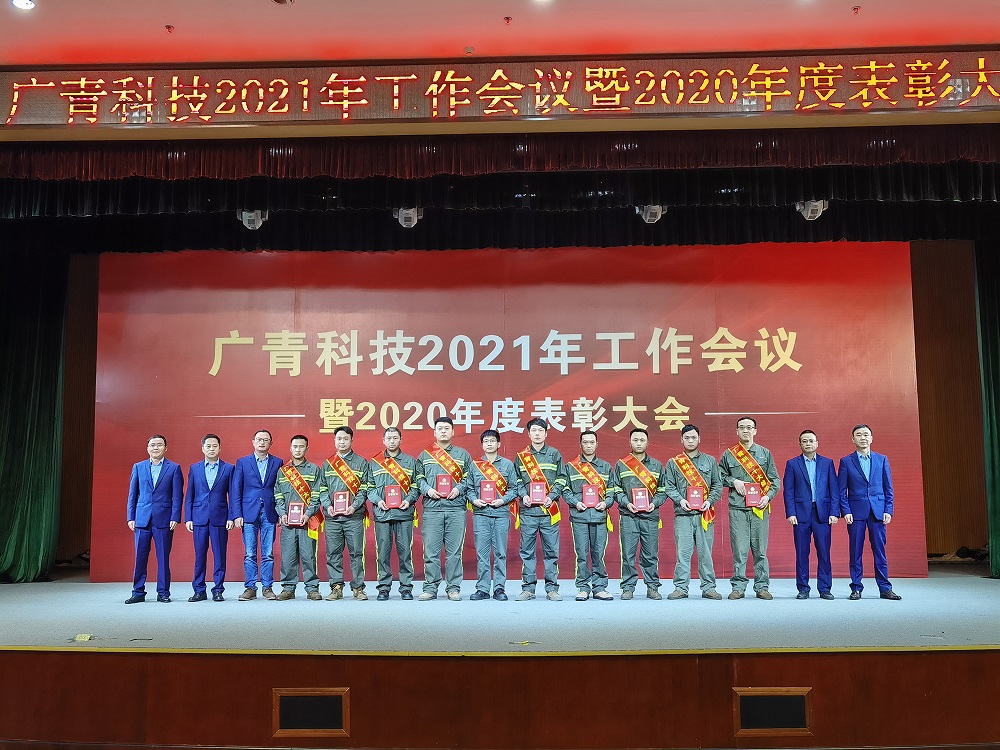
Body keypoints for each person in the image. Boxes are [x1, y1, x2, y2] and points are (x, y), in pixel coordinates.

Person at [720, 417, 781, 600]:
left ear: (755, 430)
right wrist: (734, 481)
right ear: (737, 431)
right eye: (742, 428)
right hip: (737, 509)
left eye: (749, 427)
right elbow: (719, 476)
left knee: (760, 551)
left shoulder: (765, 453)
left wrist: (767, 497)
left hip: (759, 509)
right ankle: (738, 587)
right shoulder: (729, 454)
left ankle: (762, 587)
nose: (745, 430)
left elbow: (775, 481)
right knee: (739, 550)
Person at [838, 423, 901, 600]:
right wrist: (846, 511)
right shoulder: (846, 461)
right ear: (853, 439)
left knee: (880, 551)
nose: (863, 438)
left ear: (871, 438)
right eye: (859, 435)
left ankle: (885, 588)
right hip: (855, 513)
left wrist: (888, 510)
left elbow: (888, 488)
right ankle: (856, 588)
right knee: (855, 552)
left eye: (866, 435)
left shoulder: (882, 459)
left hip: (878, 512)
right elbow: (841, 491)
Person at [662, 425, 724, 600]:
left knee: (706, 554)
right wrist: (680, 500)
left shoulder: (710, 461)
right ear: (681, 440)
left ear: (699, 439)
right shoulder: (674, 463)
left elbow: (717, 485)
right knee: (683, 553)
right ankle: (681, 588)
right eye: (687, 438)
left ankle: (709, 588)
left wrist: (709, 501)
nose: (690, 441)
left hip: (704, 515)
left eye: (693, 437)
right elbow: (669, 486)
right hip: (683, 515)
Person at [417, 416, 473, 601]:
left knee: (454, 553)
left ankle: (453, 588)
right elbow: (418, 479)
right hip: (432, 509)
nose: (443, 431)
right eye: (440, 428)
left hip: (455, 509)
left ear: (453, 431)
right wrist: (428, 490)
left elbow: (469, 478)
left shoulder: (462, 455)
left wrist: (458, 489)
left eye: (447, 428)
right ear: (434, 432)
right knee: (431, 552)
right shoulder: (425, 455)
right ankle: (430, 588)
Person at [125, 434, 183, 604]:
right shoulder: (138, 467)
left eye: (159, 445)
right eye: (152, 445)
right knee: (140, 557)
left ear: (166, 448)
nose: (155, 447)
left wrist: (175, 517)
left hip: (164, 519)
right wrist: (130, 517)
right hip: (142, 519)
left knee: (163, 558)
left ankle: (163, 592)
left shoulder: (174, 468)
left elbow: (177, 496)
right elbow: (132, 494)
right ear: (147, 448)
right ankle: (138, 592)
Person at [783, 430, 840, 600]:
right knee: (802, 553)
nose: (808, 444)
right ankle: (803, 588)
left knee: (824, 553)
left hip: (823, 514)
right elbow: (788, 491)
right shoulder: (792, 464)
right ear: (800, 444)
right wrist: (791, 513)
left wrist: (834, 512)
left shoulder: (827, 463)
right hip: (800, 515)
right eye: (804, 441)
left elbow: (834, 490)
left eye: (811, 441)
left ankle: (825, 588)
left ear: (817, 443)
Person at [514, 418, 566, 601]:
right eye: (534, 431)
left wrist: (552, 496)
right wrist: (523, 495)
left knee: (551, 551)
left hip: (548, 511)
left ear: (546, 433)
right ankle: (528, 589)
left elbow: (562, 479)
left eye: (540, 430)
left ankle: (552, 589)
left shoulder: (554, 454)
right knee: (527, 551)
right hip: (528, 512)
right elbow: (516, 480)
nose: (537, 434)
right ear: (529, 434)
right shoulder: (521, 457)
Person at [368, 427, 422, 601]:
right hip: (382, 514)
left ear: (401, 440)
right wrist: (378, 500)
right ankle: (383, 588)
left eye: (395, 438)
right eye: (389, 438)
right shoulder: (374, 462)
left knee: (405, 552)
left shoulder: (410, 461)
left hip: (404, 513)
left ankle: (406, 587)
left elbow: (415, 486)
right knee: (383, 553)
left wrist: (409, 500)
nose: (392, 441)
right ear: (383, 440)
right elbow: (369, 488)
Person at [613, 428, 666, 600]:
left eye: (642, 440)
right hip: (628, 516)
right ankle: (628, 588)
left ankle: (652, 587)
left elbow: (662, 490)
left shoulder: (657, 465)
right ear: (630, 442)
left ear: (647, 443)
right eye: (635, 440)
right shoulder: (621, 464)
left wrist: (654, 503)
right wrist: (626, 503)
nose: (638, 443)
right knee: (628, 555)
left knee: (650, 554)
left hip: (650, 517)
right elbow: (616, 489)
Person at [467, 429, 520, 601]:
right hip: (481, 514)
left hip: (500, 514)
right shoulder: (475, 465)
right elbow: (469, 488)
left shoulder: (507, 465)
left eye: (492, 441)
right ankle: (482, 589)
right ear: (482, 445)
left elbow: (514, 489)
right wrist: (474, 500)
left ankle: (499, 588)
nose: (489, 444)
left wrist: (502, 500)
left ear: (499, 444)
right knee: (482, 553)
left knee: (500, 553)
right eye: (486, 441)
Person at [562, 430, 615, 601]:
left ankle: (599, 587)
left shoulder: (606, 467)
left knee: (598, 554)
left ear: (597, 444)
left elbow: (611, 490)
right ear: (580, 445)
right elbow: (565, 490)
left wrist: (606, 503)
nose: (589, 445)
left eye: (592, 442)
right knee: (582, 554)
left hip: (599, 516)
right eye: (585, 442)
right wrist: (575, 502)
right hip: (580, 516)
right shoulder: (571, 467)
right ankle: (583, 587)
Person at [231, 430, 284, 601]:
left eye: (266, 440)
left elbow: (280, 488)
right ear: (253, 442)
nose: (262, 442)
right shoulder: (243, 462)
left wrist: (281, 511)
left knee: (268, 553)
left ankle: (267, 587)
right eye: (259, 439)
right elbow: (236, 490)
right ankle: (250, 588)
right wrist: (237, 514)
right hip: (248, 512)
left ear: (271, 443)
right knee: (250, 553)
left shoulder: (278, 462)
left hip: (269, 511)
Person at [321, 425, 371, 601]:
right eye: (339, 439)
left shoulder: (361, 462)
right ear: (334, 441)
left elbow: (364, 488)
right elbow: (322, 489)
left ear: (351, 440)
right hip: (332, 518)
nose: (342, 442)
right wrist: (328, 505)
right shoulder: (327, 464)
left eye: (345, 439)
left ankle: (358, 588)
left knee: (356, 553)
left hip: (354, 517)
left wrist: (355, 506)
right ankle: (336, 588)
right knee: (333, 554)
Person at [273, 434, 325, 601]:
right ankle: (288, 588)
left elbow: (316, 496)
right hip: (288, 523)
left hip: (307, 522)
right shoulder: (283, 471)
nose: (298, 449)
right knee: (288, 557)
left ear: (307, 449)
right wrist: (282, 513)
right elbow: (278, 495)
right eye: (295, 446)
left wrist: (308, 514)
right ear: (290, 448)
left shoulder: (314, 469)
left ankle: (312, 589)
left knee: (309, 556)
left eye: (301, 446)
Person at [183, 433, 234, 602]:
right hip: (199, 518)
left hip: (220, 518)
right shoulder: (195, 468)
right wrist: (188, 518)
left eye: (214, 446)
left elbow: (233, 495)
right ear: (202, 448)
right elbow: (189, 494)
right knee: (199, 556)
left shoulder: (228, 468)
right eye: (208, 446)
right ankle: (199, 590)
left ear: (220, 448)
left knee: (219, 556)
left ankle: (218, 590)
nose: (211, 449)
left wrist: (231, 517)